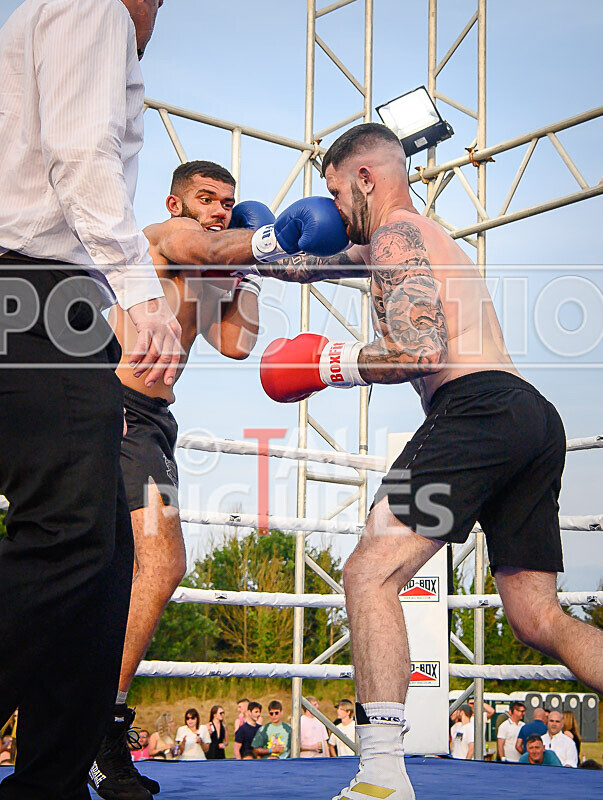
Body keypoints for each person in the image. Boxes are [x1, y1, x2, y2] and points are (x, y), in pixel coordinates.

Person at [258, 121, 603, 800]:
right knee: (537, 619)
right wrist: (260, 243)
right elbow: (300, 265)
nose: (328, 211)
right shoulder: (402, 240)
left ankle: (382, 777)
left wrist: (329, 363)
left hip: (476, 408)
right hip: (527, 418)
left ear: (364, 178)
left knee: (369, 571)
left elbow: (420, 353)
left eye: (332, 192)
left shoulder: (393, 236)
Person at [91, 160, 349, 797]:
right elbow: (202, 244)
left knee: (100, 574)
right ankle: (100, 727)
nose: (218, 211)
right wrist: (269, 239)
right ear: (177, 203)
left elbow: (237, 343)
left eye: (228, 203)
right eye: (206, 199)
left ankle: (80, 718)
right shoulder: (163, 237)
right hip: (114, 413)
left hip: (150, 421)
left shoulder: (210, 270)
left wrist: (250, 270)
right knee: (161, 562)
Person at [0, 1, 183, 798]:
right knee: (70, 538)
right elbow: (82, 151)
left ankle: (51, 779)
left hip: (41, 292)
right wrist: (138, 293)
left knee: (104, 555)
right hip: (40, 287)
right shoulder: (93, 5)